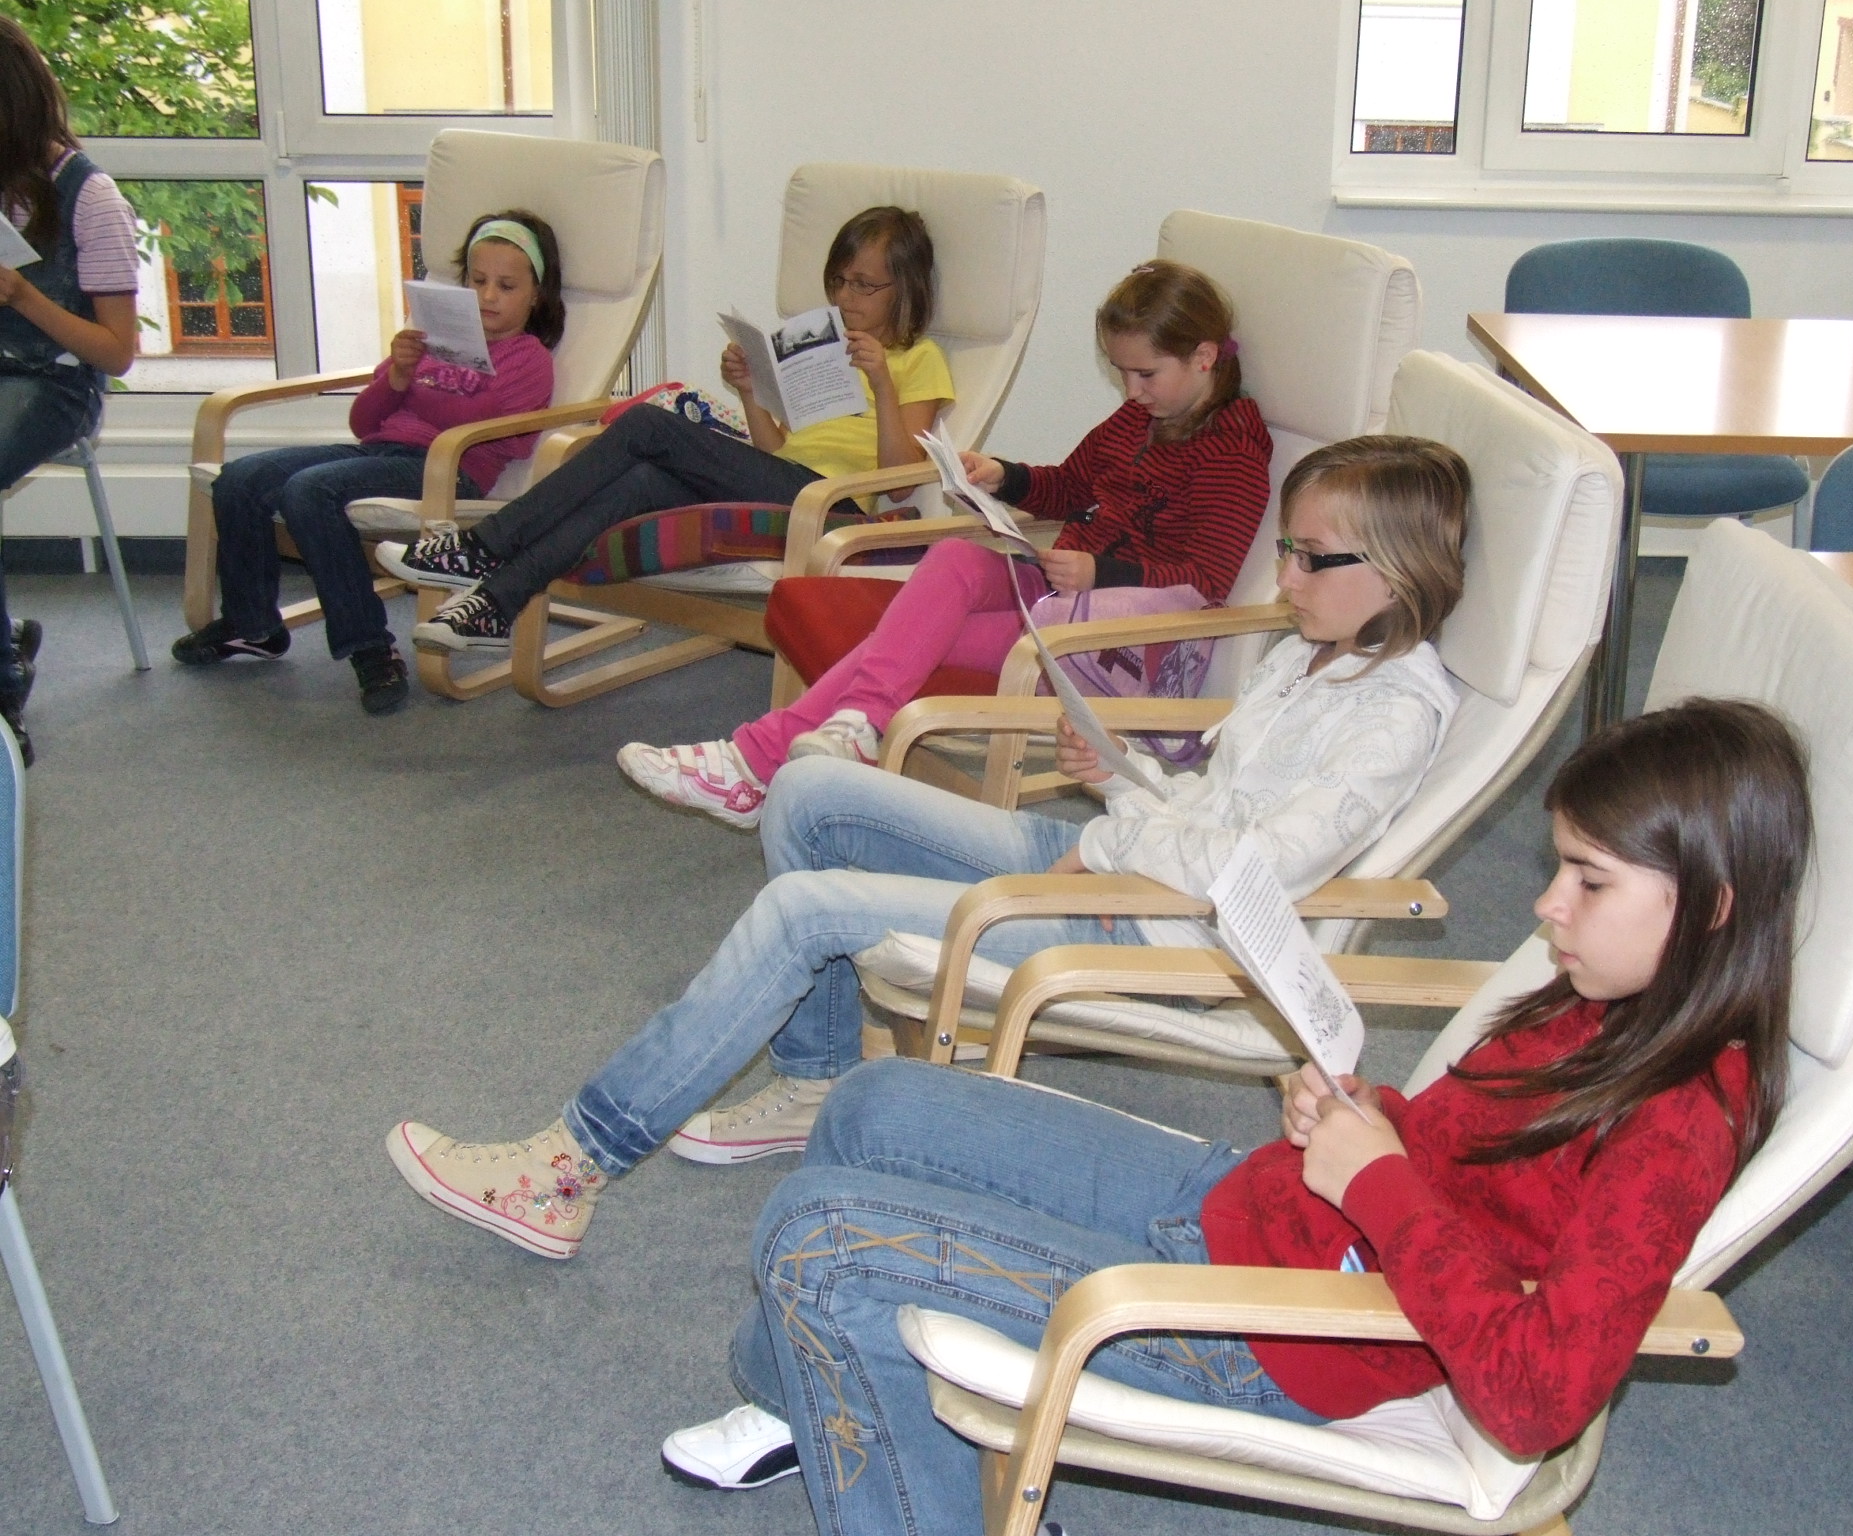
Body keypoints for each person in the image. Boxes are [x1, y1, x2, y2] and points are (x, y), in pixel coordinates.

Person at [656, 695, 1813, 1531]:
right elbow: (1476, 1163)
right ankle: (817, 1394)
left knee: (816, 1240)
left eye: (1588, 881)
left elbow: (1534, 1396)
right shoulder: (1603, 999)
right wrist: (1364, 1115)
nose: (1546, 904)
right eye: (1559, 867)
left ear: (1711, 906)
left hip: (1270, 1334)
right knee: (872, 1104)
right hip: (1238, 1203)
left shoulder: (1677, 1123)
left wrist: (1375, 1180)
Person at [385, 433, 1468, 1235]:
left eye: (1311, 558)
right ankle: (815, 1078)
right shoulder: (1316, 651)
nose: (1283, 578)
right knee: (811, 790)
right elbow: (1217, 804)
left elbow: (1255, 869)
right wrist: (1126, 777)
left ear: (1397, 572)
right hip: (1115, 867)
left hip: (1160, 932)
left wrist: (1116, 829)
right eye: (1286, 550)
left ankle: (569, 1168)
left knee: (803, 911)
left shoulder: (1392, 716)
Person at [615, 259, 1273, 830]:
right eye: (1122, 373)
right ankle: (845, 731)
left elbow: (1205, 578)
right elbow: (1073, 485)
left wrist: (1102, 571)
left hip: (1111, 638)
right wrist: (1003, 475)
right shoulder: (1141, 418)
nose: (1131, 391)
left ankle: (753, 762)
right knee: (955, 558)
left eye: (1145, 374)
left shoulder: (1234, 454)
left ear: (1204, 357)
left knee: (916, 637)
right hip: (1057, 593)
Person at [376, 205, 953, 653]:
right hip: (785, 483)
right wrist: (750, 392)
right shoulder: (828, 349)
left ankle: (480, 547)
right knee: (639, 483)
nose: (846, 297)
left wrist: (882, 384)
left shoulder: (918, 358)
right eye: (840, 281)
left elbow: (900, 480)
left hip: (834, 507)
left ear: (905, 288)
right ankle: (496, 606)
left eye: (864, 285)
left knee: (650, 423)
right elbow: (777, 450)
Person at [171, 210, 562, 714]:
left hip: (447, 471)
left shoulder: (528, 358)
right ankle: (253, 626)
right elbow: (363, 421)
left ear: (535, 295)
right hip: (378, 451)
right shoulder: (428, 339)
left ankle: (370, 647)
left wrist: (426, 382)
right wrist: (397, 376)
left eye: (506, 286)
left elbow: (507, 438)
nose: (488, 296)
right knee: (240, 479)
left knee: (309, 491)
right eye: (477, 280)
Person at [0, 17, 141, 764]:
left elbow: (117, 353)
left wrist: (23, 297)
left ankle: (2, 689)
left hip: (56, 382)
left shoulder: (91, 197)